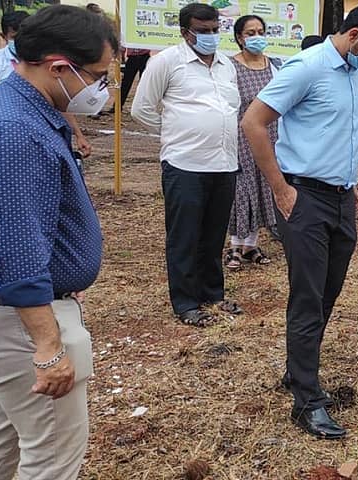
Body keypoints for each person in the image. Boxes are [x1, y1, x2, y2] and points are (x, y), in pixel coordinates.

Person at [241, 1, 358, 439]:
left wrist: (351, 182)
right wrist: (280, 188)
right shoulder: (307, 67)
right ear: (354, 36)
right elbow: (254, 122)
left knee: (328, 291)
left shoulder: (357, 73)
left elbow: (342, 132)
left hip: (341, 198)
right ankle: (307, 401)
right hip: (305, 197)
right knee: (308, 297)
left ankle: (299, 369)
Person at [0, 6, 115, 478]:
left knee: (1, 447)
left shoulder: (13, 109)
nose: (101, 89)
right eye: (97, 76)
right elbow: (16, 248)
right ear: (59, 67)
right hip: (21, 324)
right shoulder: (18, 132)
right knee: (52, 458)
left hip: (12, 317)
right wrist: (49, 346)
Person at [132, 3, 243, 326]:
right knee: (184, 236)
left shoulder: (226, 64)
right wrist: (175, 132)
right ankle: (185, 302)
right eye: (203, 31)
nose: (211, 36)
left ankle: (212, 294)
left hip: (224, 163)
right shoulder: (167, 62)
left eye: (215, 30)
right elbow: (142, 109)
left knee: (214, 235)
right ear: (185, 32)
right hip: (185, 164)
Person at [0, 11, 93, 158]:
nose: (19, 42)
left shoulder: (46, 63)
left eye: (24, 36)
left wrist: (78, 134)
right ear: (3, 36)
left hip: (46, 129)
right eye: (14, 37)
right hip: (11, 132)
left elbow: (59, 99)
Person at [223, 15, 281, 270]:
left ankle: (251, 245)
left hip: (270, 137)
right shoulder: (229, 67)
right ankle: (235, 245)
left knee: (262, 188)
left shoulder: (275, 66)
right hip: (240, 139)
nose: (257, 37)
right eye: (250, 33)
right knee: (242, 191)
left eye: (260, 31)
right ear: (239, 38)